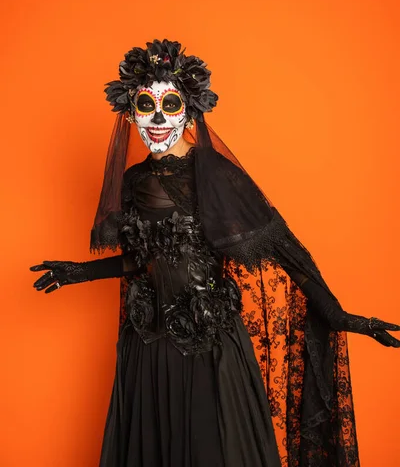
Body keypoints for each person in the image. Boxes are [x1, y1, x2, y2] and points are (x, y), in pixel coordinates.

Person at [30, 39, 400, 467]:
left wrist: (338, 316)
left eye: (169, 104)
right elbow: (145, 261)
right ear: (130, 112)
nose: (155, 119)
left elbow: (286, 251)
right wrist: (81, 272)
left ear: (188, 112)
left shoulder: (217, 174)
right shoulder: (133, 181)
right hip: (149, 345)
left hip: (207, 341)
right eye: (145, 105)